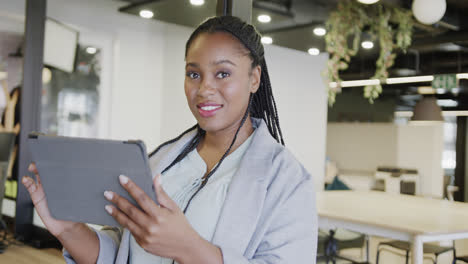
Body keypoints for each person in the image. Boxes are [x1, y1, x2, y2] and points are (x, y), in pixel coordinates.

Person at [22, 16, 317, 264]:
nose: (204, 89)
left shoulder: (288, 182)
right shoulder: (161, 162)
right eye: (193, 74)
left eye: (223, 73)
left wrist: (189, 248)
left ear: (254, 79)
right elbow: (120, 254)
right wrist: (67, 228)